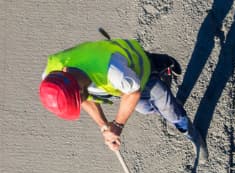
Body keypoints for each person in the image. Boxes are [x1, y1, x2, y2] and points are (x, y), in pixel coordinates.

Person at [39, 38, 208, 162]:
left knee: (171, 111)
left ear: (79, 86)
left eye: (79, 97)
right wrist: (105, 127)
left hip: (140, 71)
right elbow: (85, 99)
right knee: (145, 109)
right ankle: (162, 72)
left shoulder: (112, 71)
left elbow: (133, 93)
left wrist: (117, 126)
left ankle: (193, 134)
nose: (81, 101)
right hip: (121, 82)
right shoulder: (52, 76)